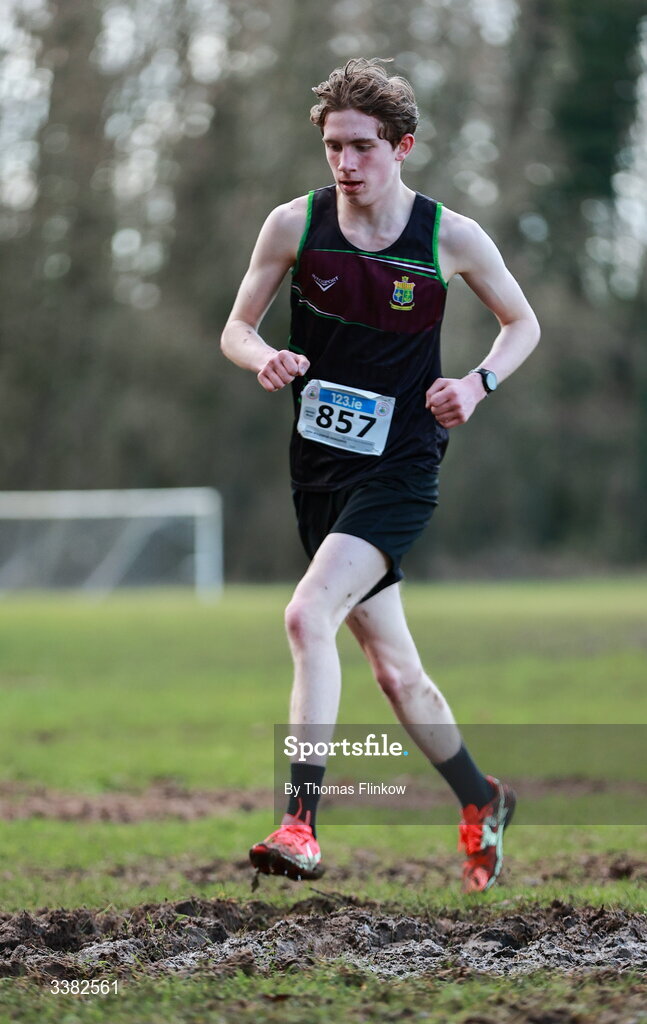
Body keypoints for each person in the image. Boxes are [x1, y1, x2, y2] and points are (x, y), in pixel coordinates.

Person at [220, 58, 540, 893]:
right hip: (318, 473)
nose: (345, 162)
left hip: (401, 468)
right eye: (332, 146)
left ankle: (299, 823)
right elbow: (235, 327)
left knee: (305, 616)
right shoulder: (293, 225)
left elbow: (521, 322)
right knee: (395, 672)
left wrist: (476, 383)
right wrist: (264, 356)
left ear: (402, 147)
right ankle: (482, 799)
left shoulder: (448, 236)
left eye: (362, 146)